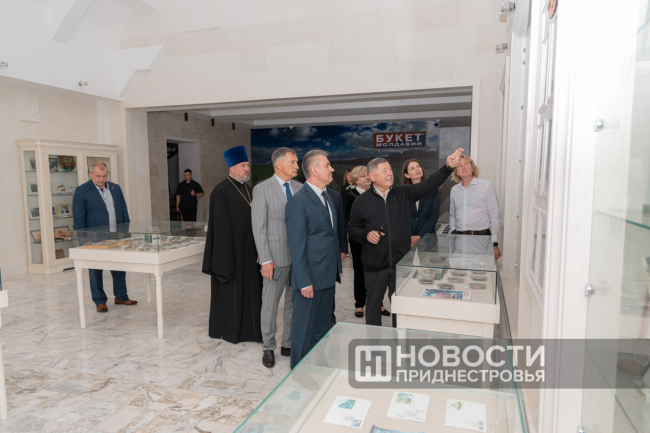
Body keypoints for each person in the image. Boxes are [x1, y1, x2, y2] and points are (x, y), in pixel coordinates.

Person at [348, 148, 464, 327]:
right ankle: (374, 341)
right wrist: (366, 235)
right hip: (374, 266)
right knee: (372, 306)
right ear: (372, 176)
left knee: (400, 306)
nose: (390, 173)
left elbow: (429, 184)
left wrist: (447, 167)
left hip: (400, 263)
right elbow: (352, 228)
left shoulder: (403, 193)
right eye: (384, 170)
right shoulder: (361, 201)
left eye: (390, 169)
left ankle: (398, 338)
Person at [286, 150, 342, 368]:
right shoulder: (298, 202)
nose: (332, 169)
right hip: (309, 279)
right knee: (303, 328)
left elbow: (330, 235)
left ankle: (319, 363)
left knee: (321, 325)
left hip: (327, 275)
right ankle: (299, 372)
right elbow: (296, 246)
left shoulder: (328, 197)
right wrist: (304, 281)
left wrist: (336, 267)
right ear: (314, 170)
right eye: (327, 165)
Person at [202, 146, 263, 344]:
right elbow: (219, 229)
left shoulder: (249, 190)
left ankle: (252, 331)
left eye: (247, 165)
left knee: (251, 293)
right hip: (231, 255)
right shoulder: (220, 191)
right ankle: (231, 332)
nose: (247, 169)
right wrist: (223, 262)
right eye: (243, 165)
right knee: (233, 295)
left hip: (251, 253)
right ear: (232, 168)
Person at [252, 147, 302, 368]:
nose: (297, 166)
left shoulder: (300, 188)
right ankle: (268, 347)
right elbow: (259, 227)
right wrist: (265, 260)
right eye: (292, 162)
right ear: (278, 164)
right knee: (270, 305)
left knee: (293, 304)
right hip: (274, 258)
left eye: (297, 162)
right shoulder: (262, 189)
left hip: (297, 258)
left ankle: (287, 344)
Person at [72, 162, 137, 313]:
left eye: (104, 176)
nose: (101, 179)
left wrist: (126, 233)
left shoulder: (115, 188)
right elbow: (79, 218)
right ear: (90, 173)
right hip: (94, 239)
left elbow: (123, 210)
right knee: (95, 270)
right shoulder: (82, 191)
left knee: (119, 266)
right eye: (98, 176)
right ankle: (100, 301)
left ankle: (121, 296)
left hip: (116, 236)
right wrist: (83, 240)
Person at [344, 165, 389, 319]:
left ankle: (378, 302)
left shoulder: (376, 194)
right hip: (358, 241)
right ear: (355, 180)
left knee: (377, 274)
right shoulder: (350, 196)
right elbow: (349, 221)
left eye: (368, 175)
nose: (367, 178)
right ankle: (359, 303)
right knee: (359, 272)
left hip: (376, 240)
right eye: (363, 176)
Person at [449, 154, 502, 260]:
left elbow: (495, 216)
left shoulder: (487, 186)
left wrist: (494, 243)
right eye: (459, 166)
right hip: (459, 240)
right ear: (456, 172)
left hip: (482, 239)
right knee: (460, 268)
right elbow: (452, 214)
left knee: (481, 269)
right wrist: (454, 232)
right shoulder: (454, 190)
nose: (463, 167)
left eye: (466, 164)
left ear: (473, 168)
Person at [402, 159, 441, 248]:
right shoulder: (403, 192)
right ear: (407, 175)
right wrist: (411, 237)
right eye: (412, 168)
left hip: (428, 239)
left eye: (418, 166)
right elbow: (402, 218)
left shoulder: (432, 190)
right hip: (408, 240)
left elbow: (434, 216)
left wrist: (420, 236)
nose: (417, 169)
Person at [326, 186, 348, 328]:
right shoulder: (303, 193)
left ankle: (330, 318)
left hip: (332, 252)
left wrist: (343, 248)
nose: (331, 174)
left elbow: (341, 223)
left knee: (330, 287)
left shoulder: (335, 195)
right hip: (313, 254)